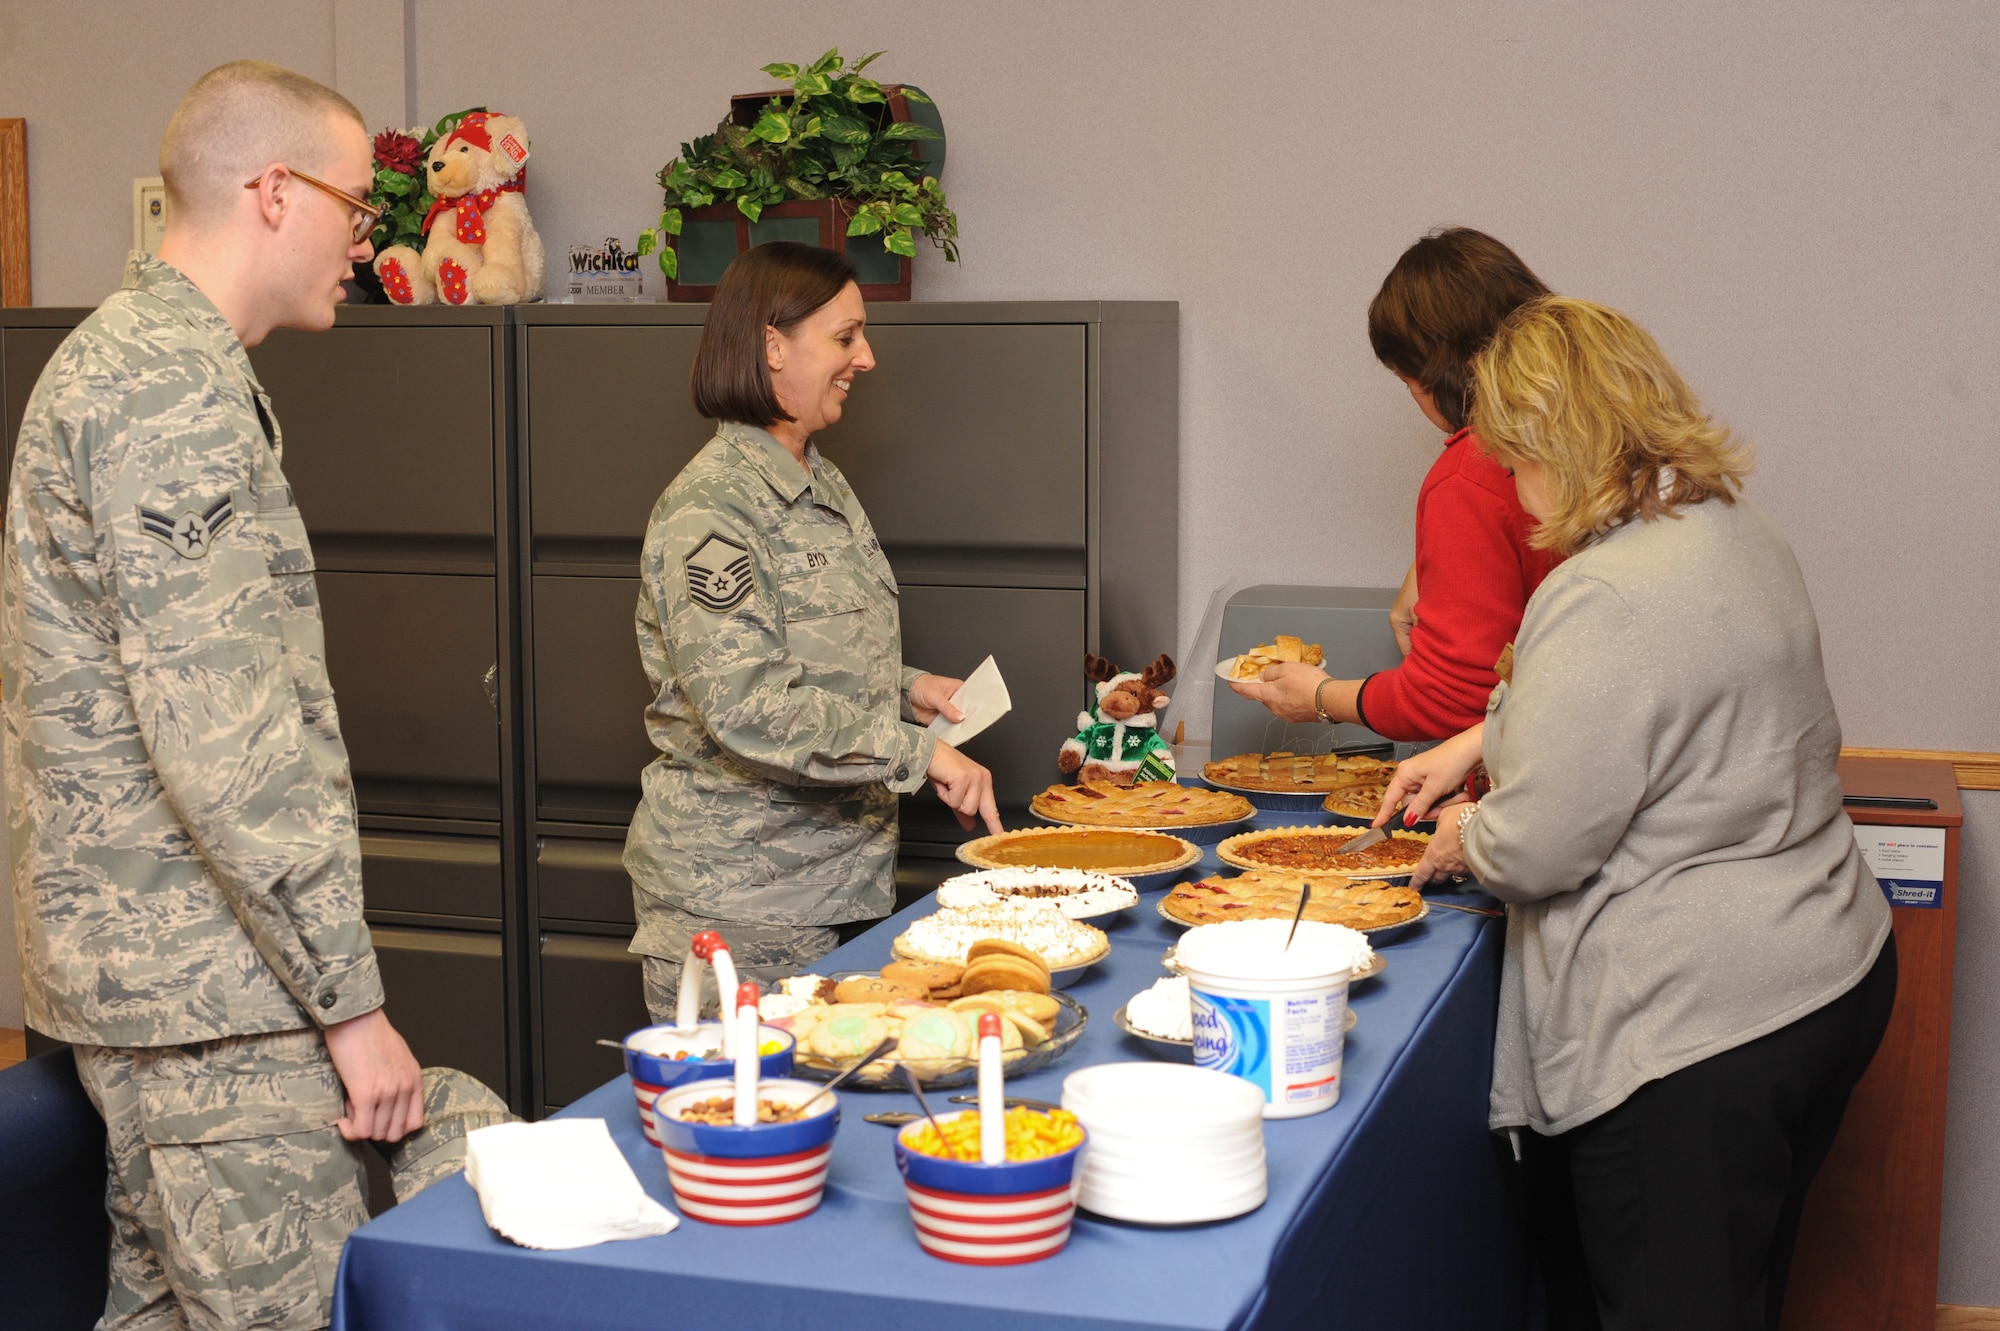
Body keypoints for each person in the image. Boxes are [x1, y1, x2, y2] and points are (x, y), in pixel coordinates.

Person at [1, 61, 425, 1329]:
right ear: (274, 190)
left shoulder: (139, 363)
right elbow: (223, 743)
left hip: (159, 993)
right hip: (207, 1009)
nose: (368, 239)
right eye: (358, 206)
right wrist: (353, 1011)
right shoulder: (166, 392)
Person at [1382, 296, 1896, 1331]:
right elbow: (1675, 703)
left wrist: (1464, 836)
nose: (1516, 496)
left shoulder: (1602, 591)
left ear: (1560, 440)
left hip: (1695, 1030)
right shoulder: (1732, 528)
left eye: (1516, 461)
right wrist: (1486, 735)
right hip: (1825, 969)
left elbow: (1535, 848)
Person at [624, 241, 1002, 1019]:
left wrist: (908, 692)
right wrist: (916, 751)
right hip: (744, 911)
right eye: (845, 336)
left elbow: (803, 653)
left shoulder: (815, 476)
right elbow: (748, 706)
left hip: (832, 892)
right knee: (747, 1133)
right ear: (772, 346)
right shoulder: (713, 512)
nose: (865, 357)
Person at [1231, 228, 1558, 740]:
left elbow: (1452, 701)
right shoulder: (1586, 441)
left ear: (1437, 372)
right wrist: (1433, 561)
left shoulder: (1470, 472)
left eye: (1407, 380)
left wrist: (1321, 696)